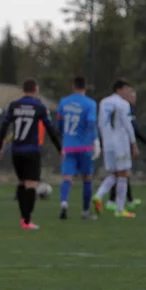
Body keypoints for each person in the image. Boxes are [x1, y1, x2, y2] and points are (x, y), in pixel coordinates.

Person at [0, 78, 61, 230]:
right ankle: (26, 220)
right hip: (31, 150)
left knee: (22, 183)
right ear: (36, 89)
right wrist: (60, 149)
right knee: (31, 185)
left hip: (16, 150)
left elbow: (4, 126)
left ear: (23, 90)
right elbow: (50, 130)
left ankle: (24, 219)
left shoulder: (14, 105)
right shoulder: (39, 107)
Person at [92, 79, 139, 218]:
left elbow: (100, 123)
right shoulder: (123, 104)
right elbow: (127, 125)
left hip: (108, 144)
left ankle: (98, 196)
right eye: (127, 90)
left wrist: (104, 139)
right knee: (123, 174)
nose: (128, 93)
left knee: (114, 174)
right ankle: (120, 209)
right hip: (121, 144)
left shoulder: (104, 102)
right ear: (119, 89)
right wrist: (134, 144)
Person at [57, 76, 100, 220]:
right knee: (87, 177)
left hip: (68, 146)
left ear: (73, 86)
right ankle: (85, 212)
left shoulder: (63, 102)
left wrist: (64, 138)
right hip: (85, 146)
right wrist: (95, 140)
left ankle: (64, 203)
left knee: (67, 177)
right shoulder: (90, 103)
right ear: (85, 86)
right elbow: (91, 122)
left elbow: (59, 124)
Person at [105, 89, 146, 211]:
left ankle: (127, 199)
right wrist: (144, 141)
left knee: (123, 173)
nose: (134, 99)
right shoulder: (126, 108)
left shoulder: (125, 108)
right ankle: (113, 200)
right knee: (122, 173)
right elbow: (132, 128)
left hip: (122, 144)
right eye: (132, 96)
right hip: (122, 145)